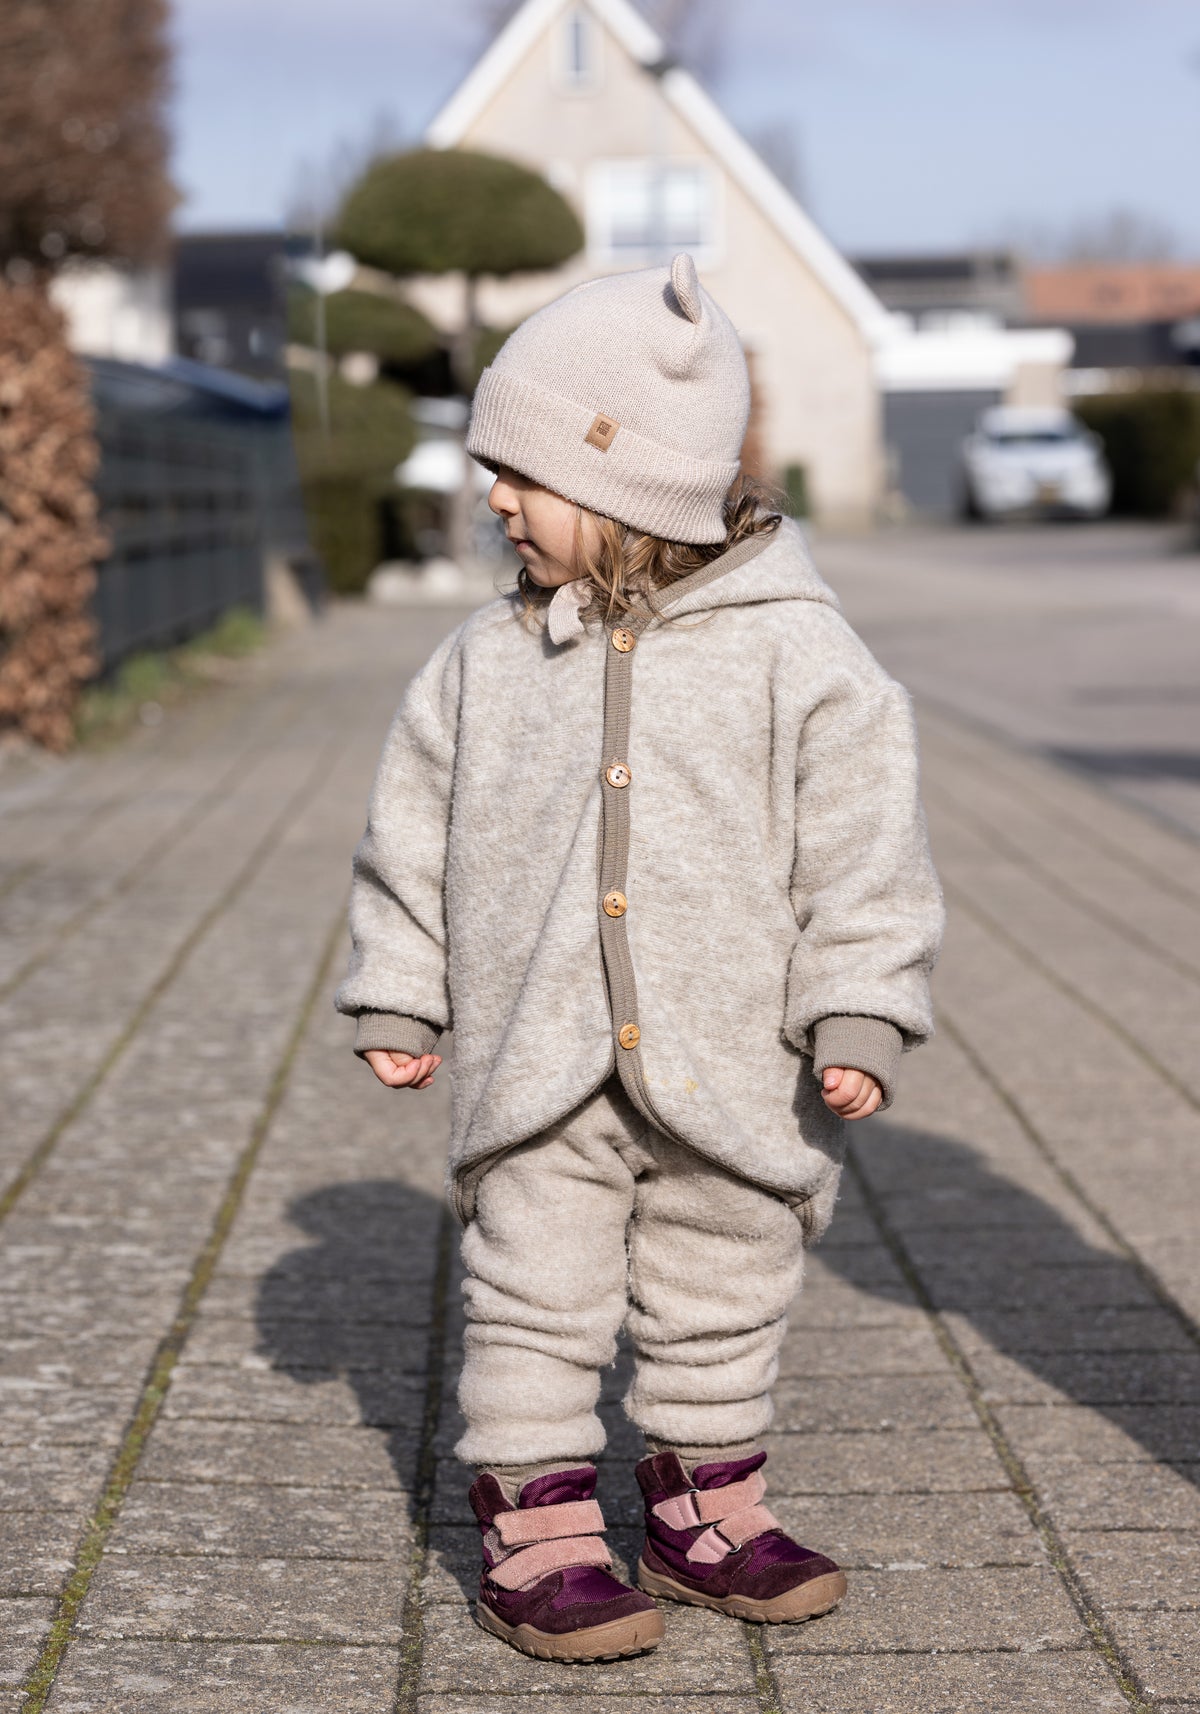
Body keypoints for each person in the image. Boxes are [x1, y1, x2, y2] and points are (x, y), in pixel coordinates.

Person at [334, 253, 944, 1664]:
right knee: (534, 1297)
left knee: (723, 1295)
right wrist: (399, 988)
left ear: (625, 485)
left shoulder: (805, 658)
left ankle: (702, 1510)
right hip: (538, 1062)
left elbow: (867, 851)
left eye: (522, 471)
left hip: (738, 1066)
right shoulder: (485, 662)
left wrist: (861, 1011)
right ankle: (538, 1527)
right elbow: (409, 832)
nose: (495, 497)